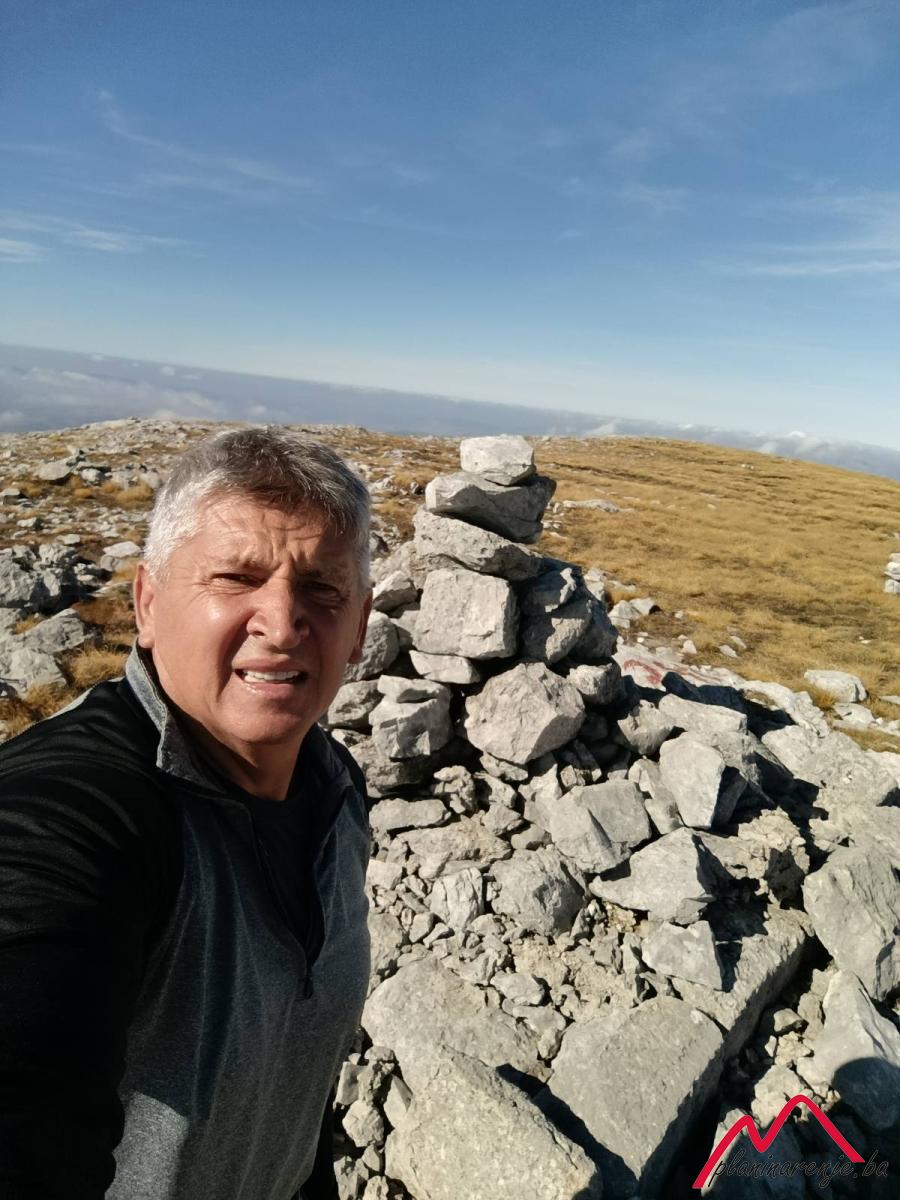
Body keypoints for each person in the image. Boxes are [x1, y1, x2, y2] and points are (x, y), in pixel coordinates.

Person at [0, 427, 375, 1200]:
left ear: (360, 629)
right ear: (147, 603)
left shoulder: (337, 786)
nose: (282, 622)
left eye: (322, 588)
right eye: (235, 577)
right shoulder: (82, 810)